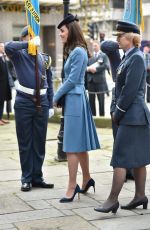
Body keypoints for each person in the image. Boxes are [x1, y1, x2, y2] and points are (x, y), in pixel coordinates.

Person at [94, 20, 150, 214]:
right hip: (134, 116)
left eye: (120, 36)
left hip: (132, 115)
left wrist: (117, 113)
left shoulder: (136, 57)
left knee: (120, 158)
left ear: (131, 38)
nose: (116, 38)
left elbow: (129, 91)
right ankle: (140, 195)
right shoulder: (129, 56)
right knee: (139, 159)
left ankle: (112, 200)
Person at [53, 14, 100, 203]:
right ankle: (87, 178)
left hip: (74, 99)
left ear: (70, 30)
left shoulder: (79, 51)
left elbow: (72, 80)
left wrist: (56, 96)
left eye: (62, 31)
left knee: (71, 146)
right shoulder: (76, 50)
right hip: (75, 99)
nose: (60, 35)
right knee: (78, 145)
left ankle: (72, 187)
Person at [5, 26, 54, 192]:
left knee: (39, 142)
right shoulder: (18, 55)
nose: (35, 40)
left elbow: (49, 81)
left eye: (36, 37)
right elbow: (8, 46)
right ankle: (26, 178)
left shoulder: (43, 58)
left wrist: (51, 103)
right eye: (31, 37)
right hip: (24, 102)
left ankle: (37, 177)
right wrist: (27, 44)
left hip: (42, 102)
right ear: (24, 38)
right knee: (25, 142)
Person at [101, 40, 135, 181]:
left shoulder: (133, 56)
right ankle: (122, 171)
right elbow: (105, 45)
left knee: (130, 140)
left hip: (129, 104)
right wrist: (120, 43)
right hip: (118, 104)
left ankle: (129, 171)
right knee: (119, 140)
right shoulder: (116, 55)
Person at [86, 40, 110, 116]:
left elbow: (106, 65)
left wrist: (96, 69)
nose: (94, 47)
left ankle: (101, 116)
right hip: (91, 81)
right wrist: (89, 69)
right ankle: (93, 116)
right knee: (91, 101)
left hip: (100, 81)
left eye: (95, 45)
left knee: (101, 100)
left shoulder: (104, 55)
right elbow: (85, 66)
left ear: (99, 46)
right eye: (93, 46)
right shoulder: (90, 56)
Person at [0, 42, 15, 125]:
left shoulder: (4, 58)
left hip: (4, 84)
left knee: (2, 101)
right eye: (1, 46)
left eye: (3, 46)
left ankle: (1, 118)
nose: (3, 48)